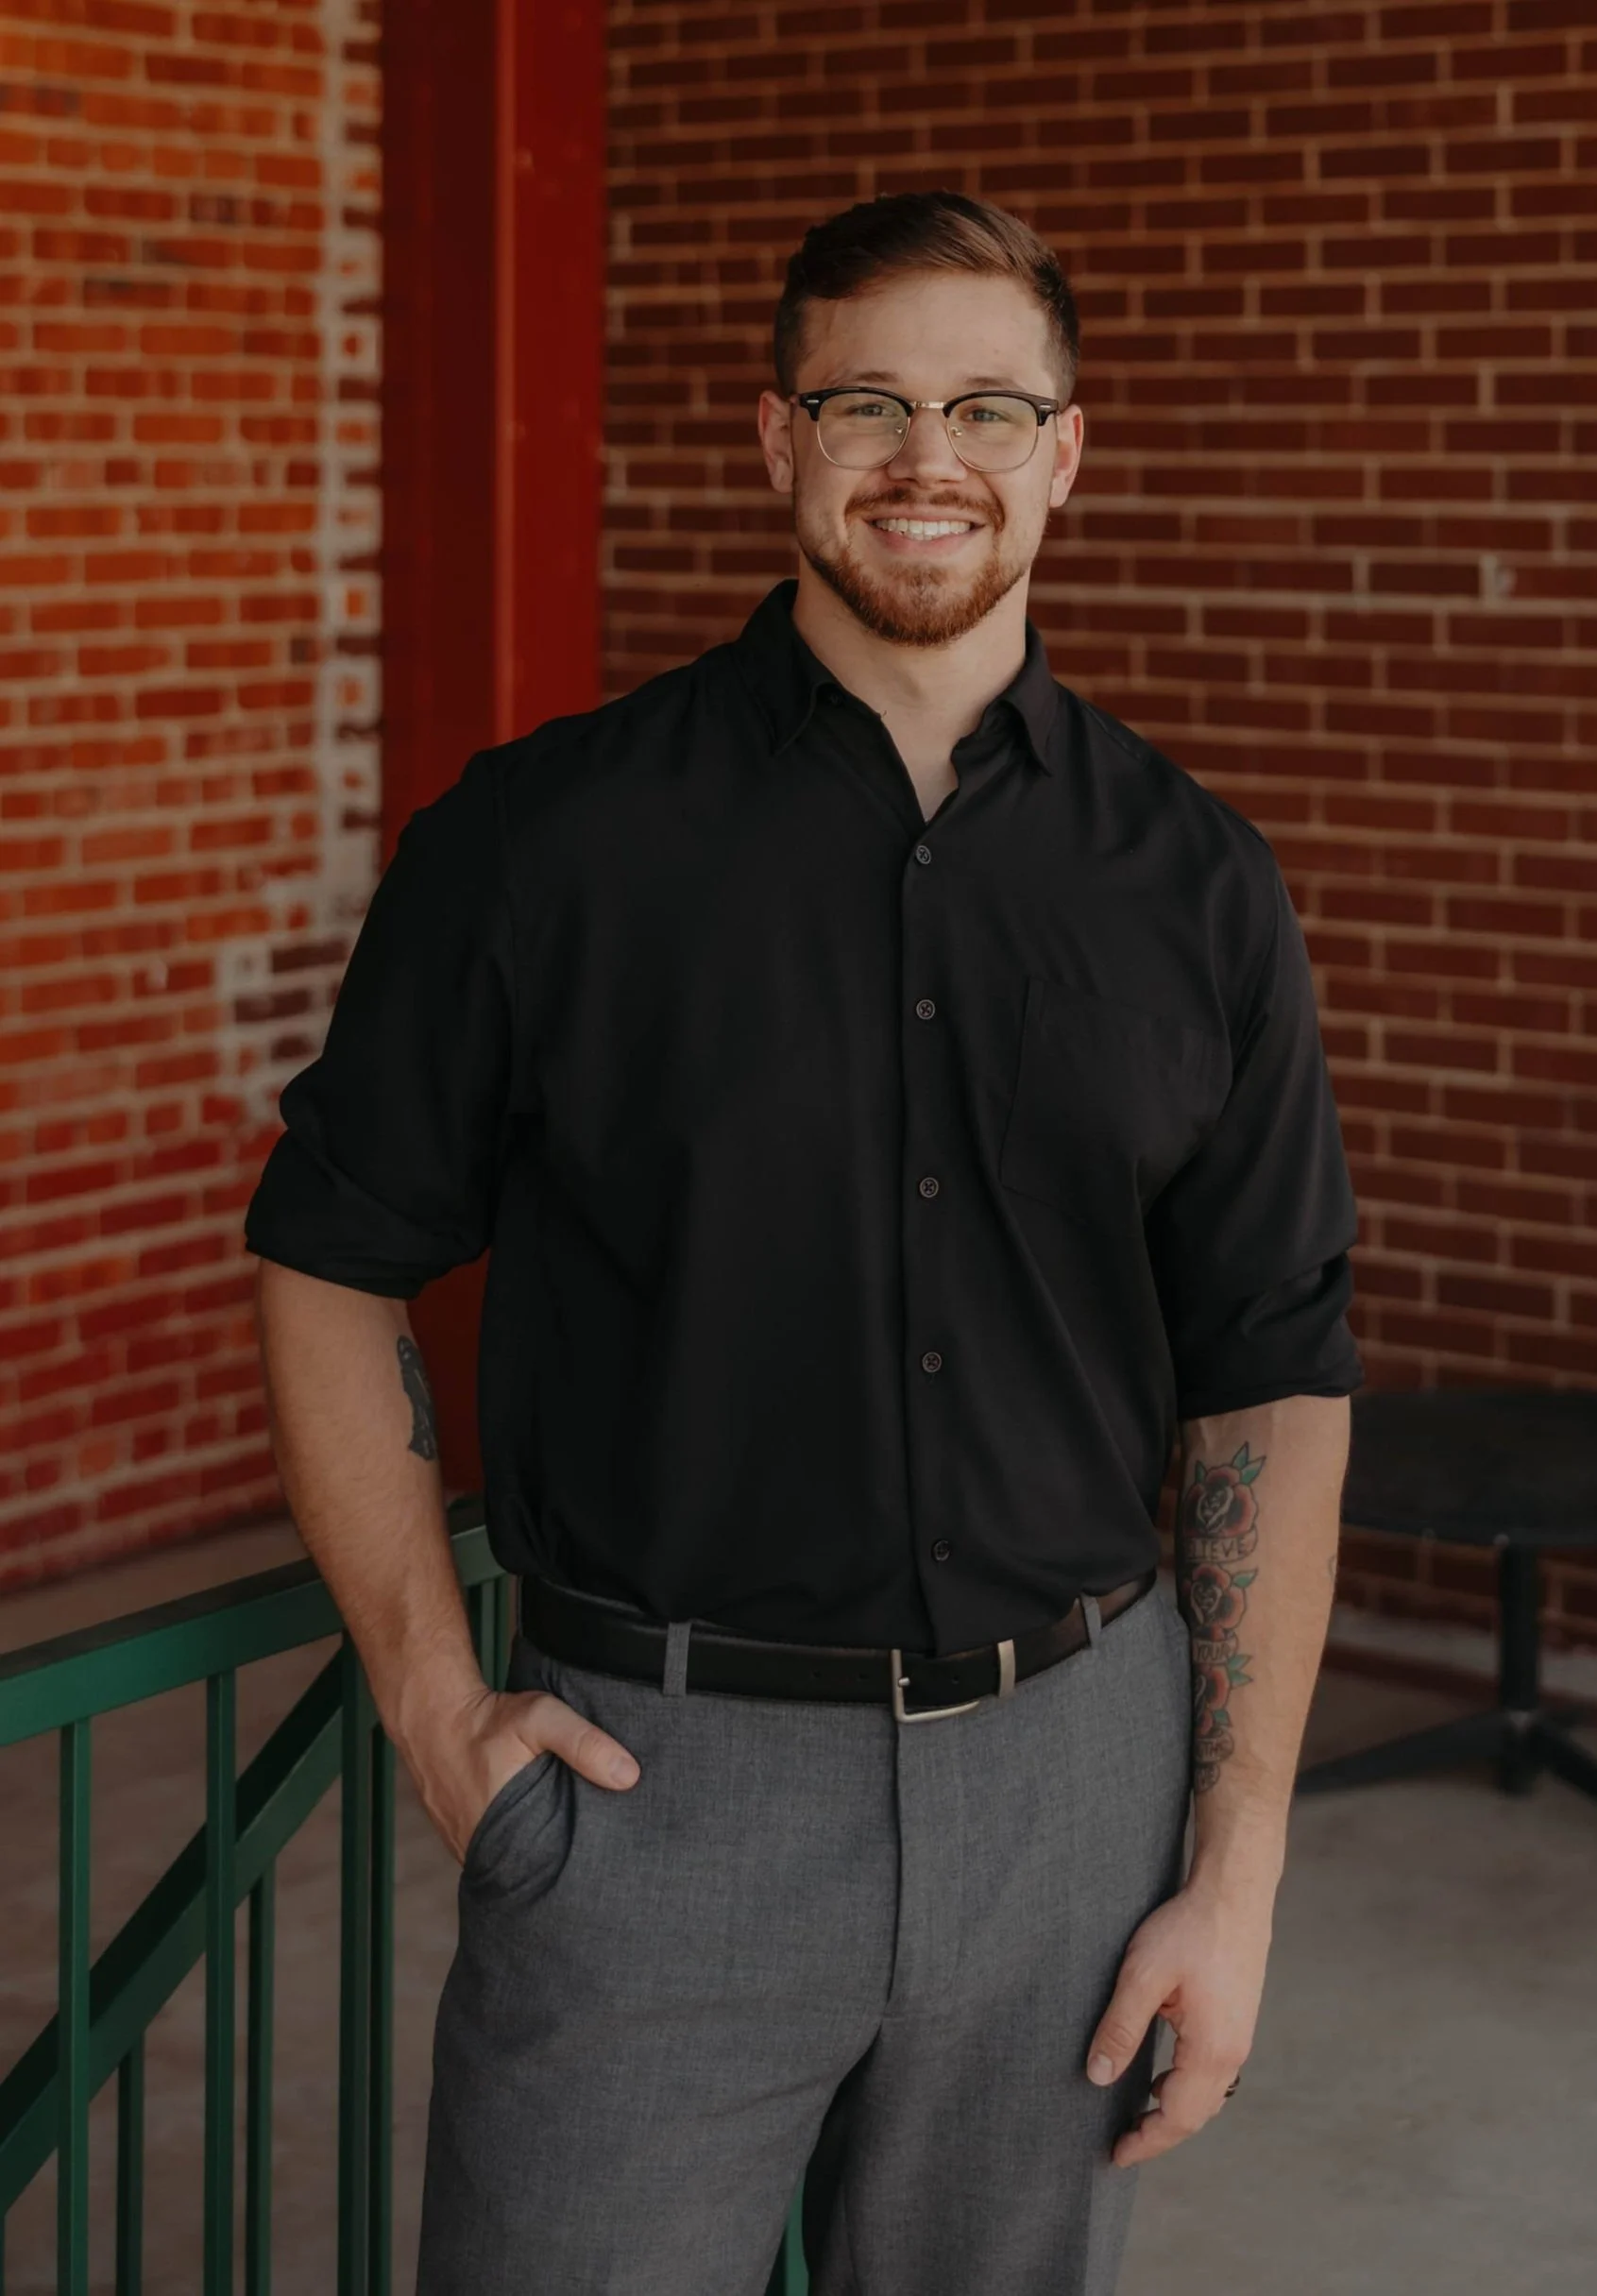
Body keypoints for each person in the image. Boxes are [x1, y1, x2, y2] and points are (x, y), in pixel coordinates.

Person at [246, 189, 1361, 2296]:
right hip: (660, 1794)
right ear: (776, 439)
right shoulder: (545, 841)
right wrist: (430, 1708)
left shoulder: (1199, 885)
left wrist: (1235, 1868)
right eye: (867, 400)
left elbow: (1269, 1384)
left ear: (1066, 451)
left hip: (1072, 1800)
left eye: (984, 406)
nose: (926, 456)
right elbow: (327, 1249)